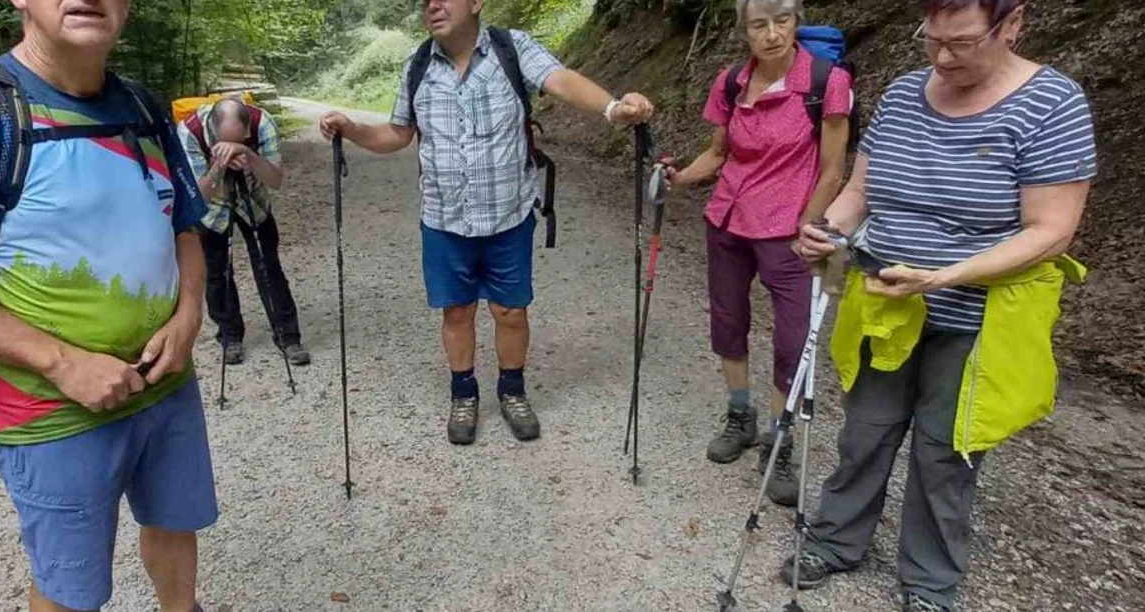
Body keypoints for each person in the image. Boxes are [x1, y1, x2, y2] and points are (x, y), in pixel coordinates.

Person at [0, 1, 218, 610]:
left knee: (176, 527)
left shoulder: (144, 109)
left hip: (167, 385)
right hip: (51, 410)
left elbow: (185, 228)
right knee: (70, 587)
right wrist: (65, 363)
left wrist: (189, 315)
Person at [789, 1, 1096, 610]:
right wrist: (828, 231)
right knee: (866, 430)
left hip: (981, 316)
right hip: (886, 300)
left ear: (1012, 24)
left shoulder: (1052, 105)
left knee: (945, 448)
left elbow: (1050, 230)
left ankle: (929, 581)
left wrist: (941, 277)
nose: (942, 56)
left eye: (961, 42)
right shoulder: (904, 95)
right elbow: (859, 192)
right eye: (932, 40)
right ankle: (835, 541)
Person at [318, 0, 653, 445]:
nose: (432, 5)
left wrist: (613, 109)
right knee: (456, 310)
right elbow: (398, 133)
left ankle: (512, 391)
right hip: (443, 219)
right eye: (425, 1)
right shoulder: (418, 64)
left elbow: (561, 80)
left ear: (476, 3)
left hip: (507, 216)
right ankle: (464, 394)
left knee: (510, 311)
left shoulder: (510, 49)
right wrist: (353, 128)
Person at [661, 0, 852, 507]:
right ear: (744, 31)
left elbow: (834, 168)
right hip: (728, 219)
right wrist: (678, 178)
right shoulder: (731, 82)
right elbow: (719, 152)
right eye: (759, 25)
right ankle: (740, 414)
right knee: (728, 321)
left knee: (793, 339)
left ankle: (779, 438)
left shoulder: (825, 81)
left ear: (797, 23)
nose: (771, 34)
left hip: (789, 229)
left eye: (782, 21)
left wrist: (810, 223)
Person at [178, 96, 309, 367]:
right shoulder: (189, 132)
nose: (234, 146)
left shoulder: (262, 123)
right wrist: (220, 164)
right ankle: (230, 336)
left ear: (248, 128)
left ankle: (288, 337)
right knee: (217, 273)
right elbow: (200, 194)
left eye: (241, 139)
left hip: (255, 201)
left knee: (269, 268)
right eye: (226, 141)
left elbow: (275, 180)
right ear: (212, 131)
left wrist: (248, 154)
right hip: (213, 210)